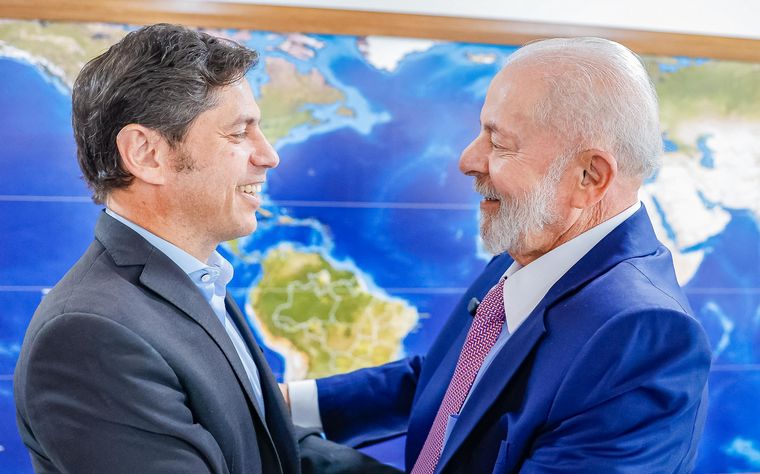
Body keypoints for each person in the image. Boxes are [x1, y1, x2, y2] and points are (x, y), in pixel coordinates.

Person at [284, 37, 712, 473]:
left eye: (500, 142)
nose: (468, 159)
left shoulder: (644, 334)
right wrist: (282, 404)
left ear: (590, 176)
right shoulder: (532, 250)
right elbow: (451, 383)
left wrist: (313, 460)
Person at [14, 24, 396, 474]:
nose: (269, 154)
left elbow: (266, 444)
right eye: (239, 133)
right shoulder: (87, 336)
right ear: (146, 153)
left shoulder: (197, 280)